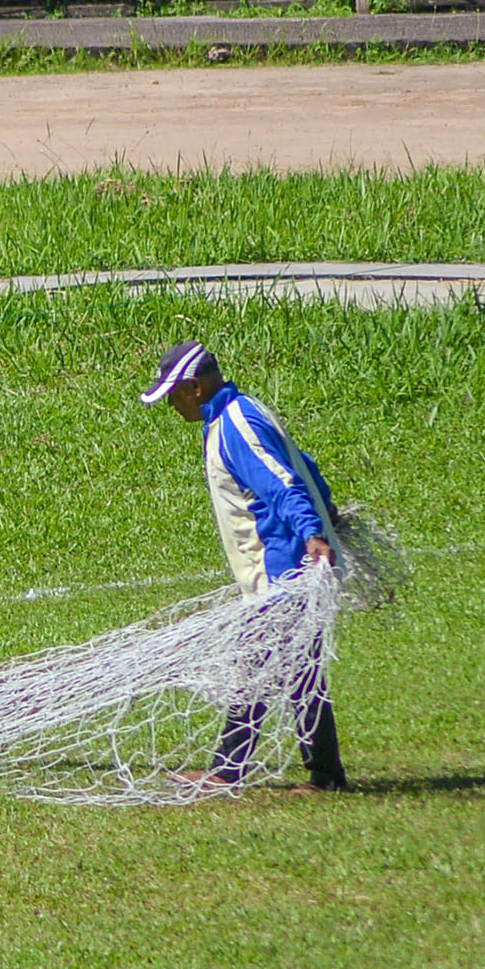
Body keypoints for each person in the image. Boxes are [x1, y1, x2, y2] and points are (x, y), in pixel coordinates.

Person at [141, 338, 349, 791]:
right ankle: (326, 774)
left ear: (194, 388)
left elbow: (283, 484)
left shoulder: (234, 427)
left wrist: (313, 532)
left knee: (258, 666)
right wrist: (326, 509)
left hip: (285, 569)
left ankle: (227, 771)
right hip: (289, 568)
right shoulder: (240, 413)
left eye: (173, 396)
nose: (172, 406)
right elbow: (304, 467)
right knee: (298, 670)